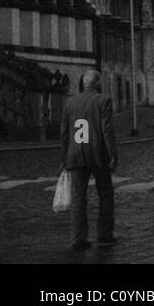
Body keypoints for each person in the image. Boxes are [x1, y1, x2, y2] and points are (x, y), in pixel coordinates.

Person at [59, 68, 118, 252]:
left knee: (78, 198)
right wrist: (113, 155)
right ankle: (104, 234)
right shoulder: (103, 101)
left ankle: (78, 238)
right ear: (98, 84)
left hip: (75, 155)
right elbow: (106, 129)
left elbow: (64, 133)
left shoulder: (70, 102)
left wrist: (64, 157)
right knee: (105, 194)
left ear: (83, 84)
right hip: (97, 154)